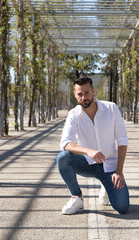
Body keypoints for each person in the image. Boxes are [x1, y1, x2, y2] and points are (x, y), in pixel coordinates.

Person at [56, 77, 129, 215]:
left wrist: (119, 172)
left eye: (87, 93)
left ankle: (106, 185)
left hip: (110, 167)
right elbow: (65, 143)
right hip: (88, 163)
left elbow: (122, 141)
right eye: (80, 94)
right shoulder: (73, 115)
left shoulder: (111, 108)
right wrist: (88, 151)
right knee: (63, 157)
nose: (84, 97)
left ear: (93, 91)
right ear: (75, 94)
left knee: (122, 207)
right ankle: (76, 197)